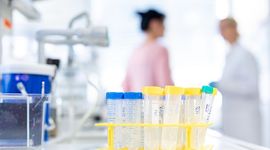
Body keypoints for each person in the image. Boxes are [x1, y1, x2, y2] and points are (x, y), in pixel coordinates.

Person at [212, 18, 261, 144]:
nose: (222, 33)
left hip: (245, 120)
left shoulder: (245, 55)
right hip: (232, 118)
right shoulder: (230, 54)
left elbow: (251, 88)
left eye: (225, 28)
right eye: (220, 30)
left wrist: (222, 85)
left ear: (234, 28)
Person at [122, 9, 174, 91]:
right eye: (162, 24)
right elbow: (165, 84)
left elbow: (126, 85)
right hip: (154, 102)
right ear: (154, 24)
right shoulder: (160, 50)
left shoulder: (135, 51)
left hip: (136, 102)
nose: (165, 28)